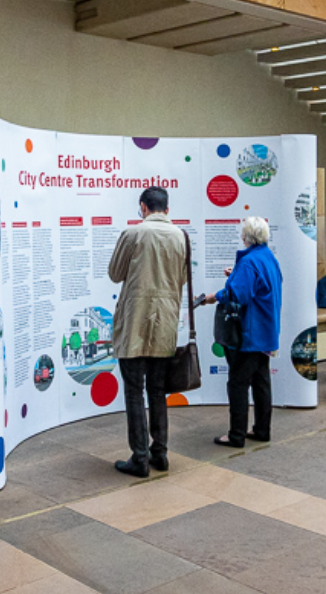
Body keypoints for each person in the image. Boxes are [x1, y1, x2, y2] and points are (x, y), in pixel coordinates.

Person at [106, 187, 188, 477]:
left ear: (143, 207)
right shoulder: (181, 236)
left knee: (133, 391)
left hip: (135, 321)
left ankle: (139, 457)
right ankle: (160, 453)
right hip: (165, 321)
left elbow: (114, 273)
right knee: (157, 390)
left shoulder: (133, 234)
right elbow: (182, 279)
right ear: (166, 210)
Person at [203, 217, 283, 448]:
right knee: (261, 382)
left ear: (247, 237)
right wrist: (234, 276)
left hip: (250, 333)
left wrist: (214, 296)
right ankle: (261, 429)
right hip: (266, 331)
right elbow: (259, 288)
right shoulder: (268, 258)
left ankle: (236, 435)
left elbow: (240, 295)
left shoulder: (249, 262)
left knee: (238, 384)